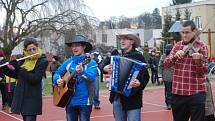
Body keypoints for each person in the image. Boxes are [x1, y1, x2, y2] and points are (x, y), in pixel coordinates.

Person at [164, 20, 208, 121]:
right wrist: (175, 56)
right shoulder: (177, 46)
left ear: (194, 32)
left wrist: (198, 62)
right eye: (182, 32)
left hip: (197, 92)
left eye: (187, 32)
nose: (184, 35)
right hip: (179, 92)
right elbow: (166, 64)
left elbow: (204, 71)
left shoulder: (202, 47)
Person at [102, 31, 149, 121]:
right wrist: (104, 68)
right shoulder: (115, 54)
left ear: (132, 41)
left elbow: (146, 76)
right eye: (121, 39)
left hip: (133, 98)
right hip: (117, 97)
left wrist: (139, 83)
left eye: (126, 39)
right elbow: (101, 66)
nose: (122, 41)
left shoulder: (138, 56)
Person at [53, 35, 97, 121]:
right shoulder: (68, 62)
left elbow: (92, 77)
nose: (74, 48)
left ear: (84, 46)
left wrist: (82, 72)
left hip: (85, 101)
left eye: (77, 45)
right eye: (72, 46)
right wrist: (57, 80)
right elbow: (57, 73)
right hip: (69, 100)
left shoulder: (91, 62)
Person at [3, 37, 48, 121]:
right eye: (29, 50)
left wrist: (19, 69)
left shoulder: (42, 61)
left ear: (37, 47)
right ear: (26, 50)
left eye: (34, 49)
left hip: (32, 97)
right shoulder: (23, 60)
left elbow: (35, 78)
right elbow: (17, 75)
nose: (32, 52)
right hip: (22, 96)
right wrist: (5, 68)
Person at [88, 39, 103, 110]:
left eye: (92, 43)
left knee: (96, 90)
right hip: (86, 73)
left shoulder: (97, 52)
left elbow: (100, 60)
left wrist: (93, 58)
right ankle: (89, 103)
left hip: (95, 73)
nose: (91, 44)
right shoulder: (84, 51)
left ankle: (96, 103)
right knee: (87, 89)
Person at [158, 44, 173, 110]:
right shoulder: (163, 56)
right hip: (166, 76)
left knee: (174, 92)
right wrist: (160, 76)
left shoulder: (175, 56)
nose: (169, 50)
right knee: (168, 91)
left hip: (175, 76)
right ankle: (168, 103)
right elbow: (160, 66)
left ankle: (173, 103)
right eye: (168, 49)